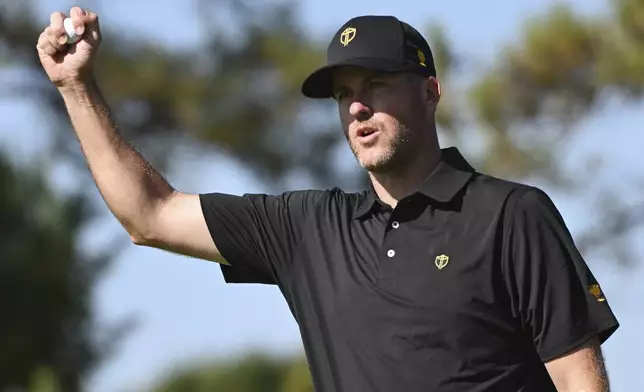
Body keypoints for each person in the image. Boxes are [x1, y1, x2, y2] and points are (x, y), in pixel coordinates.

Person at [37, 8, 619, 392]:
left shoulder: (511, 214)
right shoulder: (309, 228)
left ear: (430, 91)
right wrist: (76, 87)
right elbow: (150, 215)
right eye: (344, 95)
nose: (357, 108)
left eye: (375, 85)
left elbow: (578, 379)